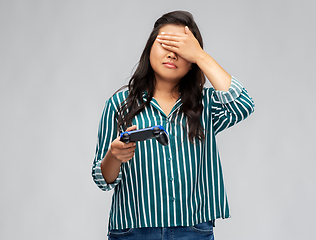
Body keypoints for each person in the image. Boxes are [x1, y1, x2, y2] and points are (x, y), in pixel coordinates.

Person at [92, 10, 254, 240]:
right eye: (165, 44)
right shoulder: (120, 105)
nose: (172, 54)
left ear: (192, 62)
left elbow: (243, 104)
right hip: (133, 230)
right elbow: (102, 179)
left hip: (193, 230)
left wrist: (200, 55)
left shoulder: (205, 104)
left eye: (181, 48)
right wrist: (114, 156)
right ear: (149, 49)